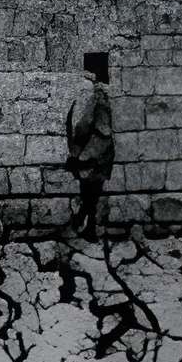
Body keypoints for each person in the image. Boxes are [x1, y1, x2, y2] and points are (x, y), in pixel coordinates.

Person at [65, 61, 115, 236]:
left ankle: (85, 222)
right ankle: (89, 225)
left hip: (92, 152)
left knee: (88, 190)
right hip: (102, 152)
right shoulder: (105, 98)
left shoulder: (95, 98)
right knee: (93, 192)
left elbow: (83, 126)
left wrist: (76, 152)